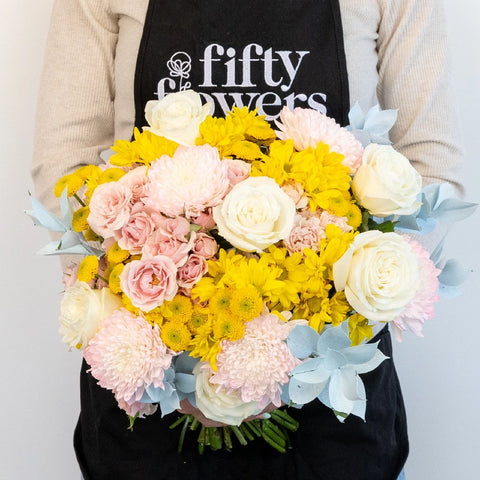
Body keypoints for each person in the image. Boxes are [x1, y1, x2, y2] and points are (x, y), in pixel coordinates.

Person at [32, 1, 464, 479]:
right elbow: (66, 168)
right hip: (153, 382)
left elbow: (432, 164)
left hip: (330, 392)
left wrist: (308, 340)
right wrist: (183, 364)